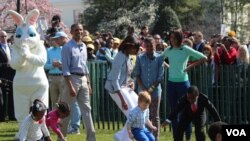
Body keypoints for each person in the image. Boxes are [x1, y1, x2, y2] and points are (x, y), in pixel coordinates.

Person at [161, 28, 207, 141]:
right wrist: (168, 66)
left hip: (183, 84)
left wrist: (190, 66)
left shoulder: (185, 49)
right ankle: (176, 137)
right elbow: (159, 59)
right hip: (171, 84)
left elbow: (204, 57)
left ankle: (187, 137)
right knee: (174, 111)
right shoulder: (168, 50)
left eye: (173, 37)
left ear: (178, 38)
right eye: (170, 37)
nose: (171, 40)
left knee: (186, 111)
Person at [60, 23, 96, 141]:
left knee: (87, 110)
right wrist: (70, 86)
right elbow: (65, 69)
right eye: (76, 30)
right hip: (72, 79)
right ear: (71, 32)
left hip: (83, 80)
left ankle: (91, 138)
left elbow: (85, 67)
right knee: (66, 111)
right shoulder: (67, 47)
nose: (79, 32)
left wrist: (89, 84)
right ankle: (61, 138)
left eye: (80, 30)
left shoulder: (84, 46)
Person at [105, 35, 140, 141]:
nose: (135, 50)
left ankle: (121, 137)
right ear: (127, 46)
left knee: (140, 109)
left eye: (136, 48)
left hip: (125, 87)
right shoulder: (120, 56)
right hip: (116, 89)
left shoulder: (128, 56)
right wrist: (122, 99)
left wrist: (131, 82)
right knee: (133, 115)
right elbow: (115, 80)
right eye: (134, 47)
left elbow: (127, 75)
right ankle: (124, 138)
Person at [134, 37, 164, 140]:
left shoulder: (160, 58)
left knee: (154, 116)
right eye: (147, 46)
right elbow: (137, 74)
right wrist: (143, 89)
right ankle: (146, 137)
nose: (150, 48)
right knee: (143, 116)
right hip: (142, 92)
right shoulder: (139, 58)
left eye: (151, 46)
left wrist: (150, 90)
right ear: (144, 47)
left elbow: (160, 77)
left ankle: (155, 138)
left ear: (155, 45)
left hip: (155, 92)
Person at [45, 31, 68, 108]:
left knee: (64, 101)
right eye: (53, 39)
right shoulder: (49, 50)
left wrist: (60, 64)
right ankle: (55, 119)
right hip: (52, 78)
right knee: (54, 101)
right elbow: (45, 66)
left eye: (56, 39)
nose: (54, 41)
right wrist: (53, 65)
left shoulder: (65, 49)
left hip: (63, 77)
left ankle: (64, 119)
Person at [0, 30, 16, 121]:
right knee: (2, 97)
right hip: (2, 75)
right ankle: (2, 116)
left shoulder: (12, 48)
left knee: (12, 96)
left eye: (5, 36)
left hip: (12, 75)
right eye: (1, 37)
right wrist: (5, 65)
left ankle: (12, 115)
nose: (4, 38)